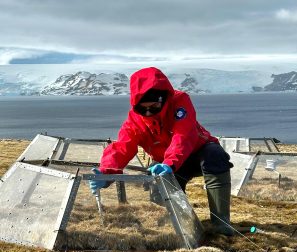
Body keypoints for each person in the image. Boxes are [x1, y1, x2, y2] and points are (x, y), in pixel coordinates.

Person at [89, 67, 234, 236]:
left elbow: (183, 135)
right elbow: (122, 147)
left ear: (163, 99)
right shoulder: (134, 120)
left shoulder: (180, 102)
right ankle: (184, 227)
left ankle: (221, 224)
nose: (149, 112)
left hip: (196, 153)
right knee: (161, 201)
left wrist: (170, 164)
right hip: (166, 163)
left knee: (215, 156)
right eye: (143, 108)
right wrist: (106, 173)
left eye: (154, 107)